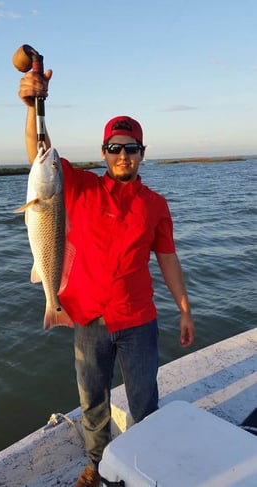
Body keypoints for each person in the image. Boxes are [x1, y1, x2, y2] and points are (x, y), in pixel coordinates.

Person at [18, 68, 195, 487]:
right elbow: (37, 154)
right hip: (87, 319)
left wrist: (185, 309)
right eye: (115, 148)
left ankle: (142, 460)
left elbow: (168, 259)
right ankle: (97, 465)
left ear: (142, 153)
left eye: (131, 148)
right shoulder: (77, 186)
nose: (123, 156)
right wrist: (31, 108)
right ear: (104, 152)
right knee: (92, 401)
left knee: (144, 400)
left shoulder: (155, 204)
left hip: (138, 321)